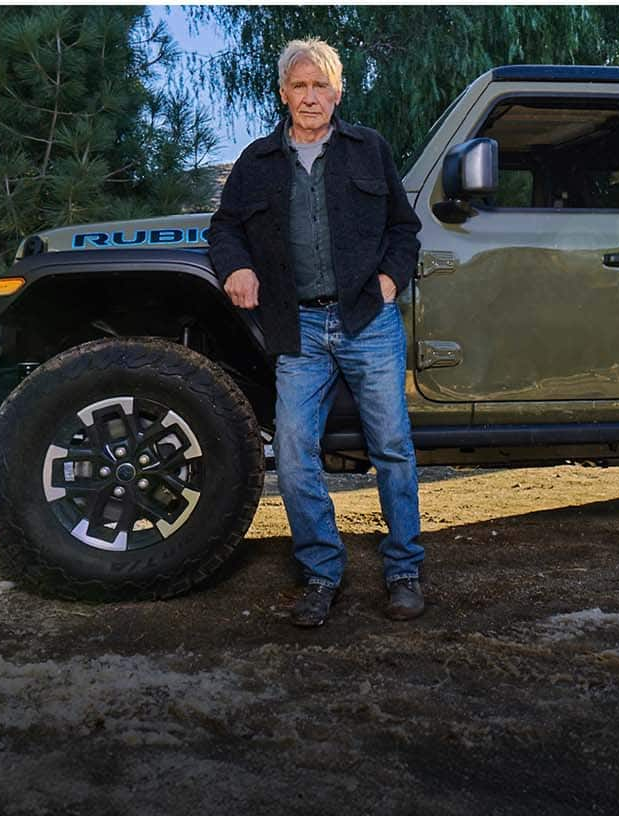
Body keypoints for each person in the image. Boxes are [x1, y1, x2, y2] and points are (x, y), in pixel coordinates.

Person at [206, 38, 425, 628]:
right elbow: (224, 229)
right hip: (297, 327)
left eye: (320, 85)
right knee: (297, 454)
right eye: (299, 86)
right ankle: (321, 573)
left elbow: (405, 230)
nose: (310, 97)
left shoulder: (368, 150)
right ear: (284, 93)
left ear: (337, 91)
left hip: (367, 320)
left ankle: (404, 570)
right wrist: (238, 266)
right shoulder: (257, 163)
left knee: (392, 449)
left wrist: (387, 281)